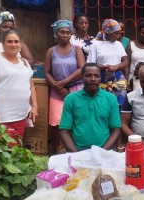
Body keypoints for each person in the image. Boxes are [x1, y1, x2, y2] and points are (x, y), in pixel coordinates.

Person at [0, 30, 38, 143]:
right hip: (1, 117)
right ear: (3, 44)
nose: (13, 45)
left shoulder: (25, 63)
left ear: (20, 44)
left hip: (20, 115)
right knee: (1, 151)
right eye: (9, 42)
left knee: (15, 149)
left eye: (16, 41)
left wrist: (35, 106)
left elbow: (31, 85)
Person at [59, 63, 121, 152]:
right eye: (88, 76)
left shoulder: (110, 99)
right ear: (81, 78)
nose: (93, 79)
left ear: (101, 78)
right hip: (77, 151)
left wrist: (101, 153)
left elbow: (116, 130)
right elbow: (64, 131)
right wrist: (76, 155)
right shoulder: (70, 99)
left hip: (104, 151)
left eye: (97, 76)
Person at [44, 20, 85, 152]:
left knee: (76, 119)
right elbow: (47, 72)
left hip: (75, 89)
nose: (65, 35)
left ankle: (75, 149)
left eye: (68, 32)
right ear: (56, 33)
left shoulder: (76, 50)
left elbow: (82, 69)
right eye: (62, 32)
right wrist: (58, 87)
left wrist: (64, 82)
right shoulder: (51, 51)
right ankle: (57, 150)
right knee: (56, 122)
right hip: (56, 91)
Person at [87, 19, 129, 105]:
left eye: (119, 33)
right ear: (107, 32)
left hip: (117, 81)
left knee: (119, 106)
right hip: (101, 80)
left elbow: (125, 62)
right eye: (116, 33)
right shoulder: (95, 45)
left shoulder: (118, 45)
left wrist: (115, 67)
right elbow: (90, 65)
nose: (118, 36)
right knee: (102, 106)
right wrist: (104, 67)